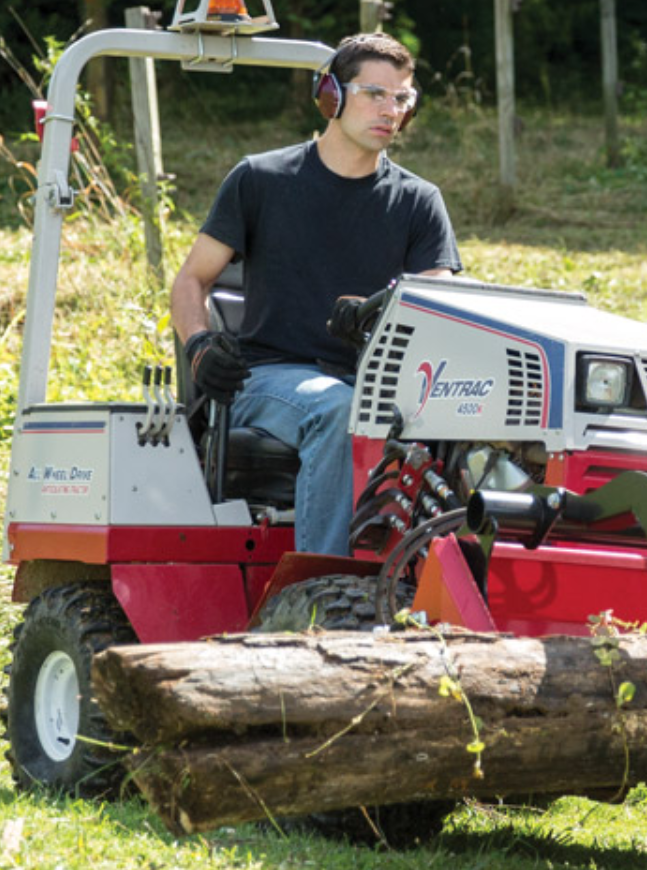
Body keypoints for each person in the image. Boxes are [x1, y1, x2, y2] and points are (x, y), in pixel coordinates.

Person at [170, 30, 461, 555]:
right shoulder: (261, 179)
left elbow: (440, 302)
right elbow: (192, 279)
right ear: (332, 96)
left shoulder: (419, 201)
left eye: (402, 98)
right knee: (339, 410)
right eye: (375, 94)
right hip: (267, 378)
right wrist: (198, 345)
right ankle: (324, 585)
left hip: (380, 385)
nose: (391, 110)